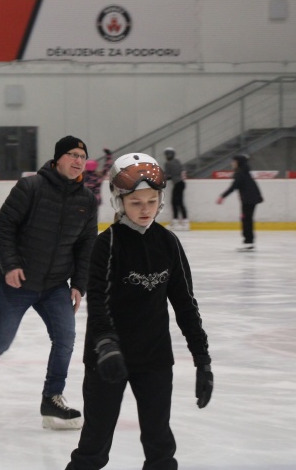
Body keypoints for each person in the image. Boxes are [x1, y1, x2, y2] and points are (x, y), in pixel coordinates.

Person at [66, 152, 212, 470]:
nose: (145, 209)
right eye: (136, 203)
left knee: (160, 449)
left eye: (151, 201)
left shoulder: (168, 243)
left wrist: (202, 359)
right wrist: (107, 346)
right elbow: (99, 305)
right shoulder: (107, 245)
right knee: (93, 450)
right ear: (119, 202)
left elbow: (185, 304)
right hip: (107, 360)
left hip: (154, 358)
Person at [0, 136, 98, 430]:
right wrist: (10, 265)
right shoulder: (31, 187)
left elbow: (86, 245)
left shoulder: (86, 200)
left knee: (66, 338)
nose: (78, 161)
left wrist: (79, 284)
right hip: (17, 283)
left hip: (55, 285)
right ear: (58, 158)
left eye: (82, 156)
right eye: (72, 154)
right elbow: (4, 227)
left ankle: (52, 398)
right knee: (0, 342)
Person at [216, 153, 264, 251]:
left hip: (248, 200)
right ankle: (249, 242)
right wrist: (259, 196)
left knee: (246, 220)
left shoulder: (240, 173)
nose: (232, 163)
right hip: (250, 199)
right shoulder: (245, 171)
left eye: (234, 161)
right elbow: (253, 184)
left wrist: (222, 196)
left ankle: (248, 243)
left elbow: (233, 187)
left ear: (238, 162)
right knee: (247, 220)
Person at [163, 147, 190, 231]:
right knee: (179, 202)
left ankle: (176, 222)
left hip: (177, 183)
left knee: (175, 202)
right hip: (181, 183)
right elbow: (181, 171)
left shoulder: (168, 163)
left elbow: (167, 176)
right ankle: (184, 222)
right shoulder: (177, 161)